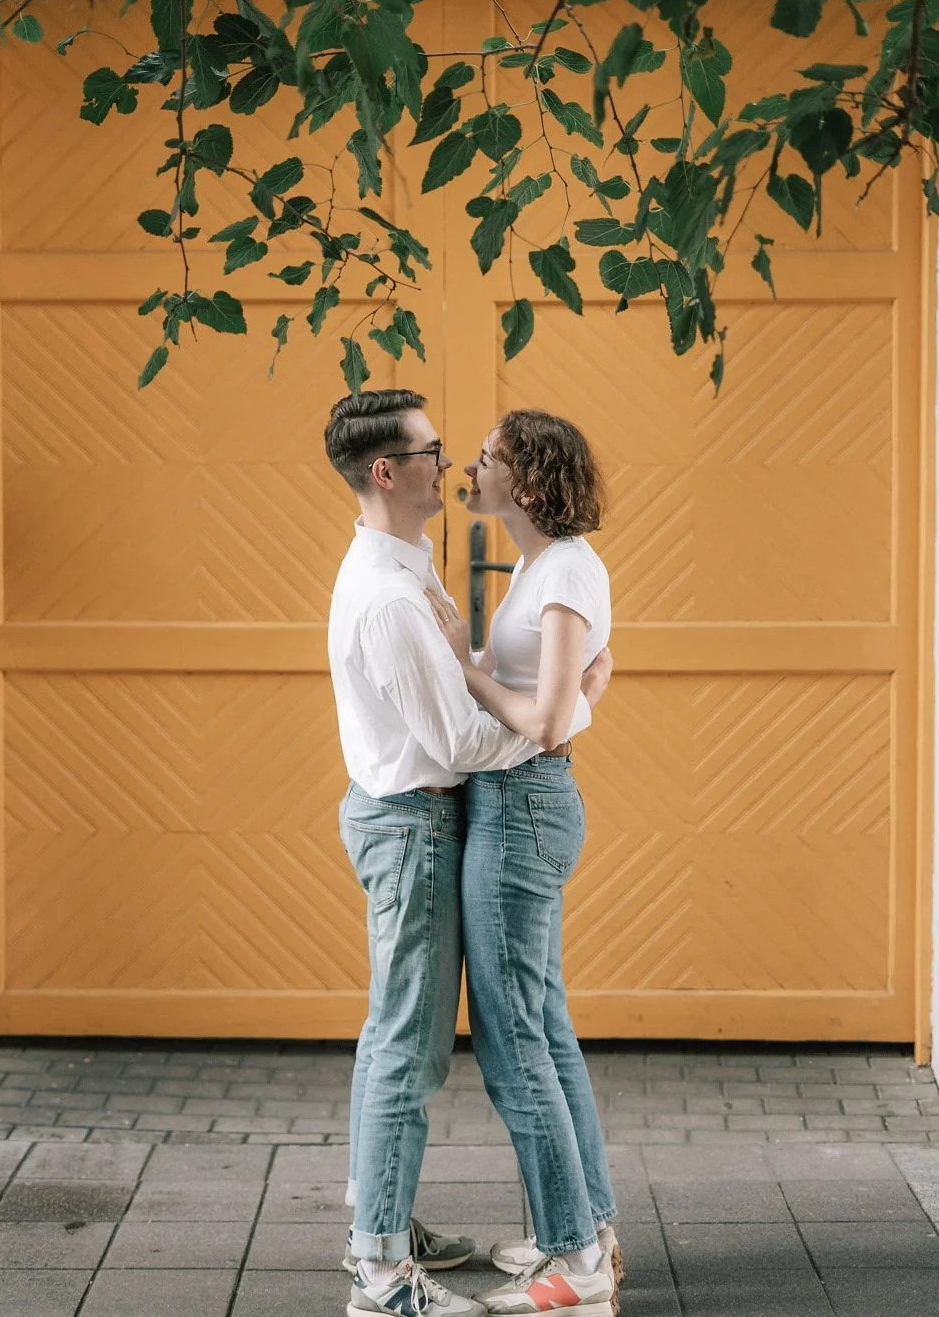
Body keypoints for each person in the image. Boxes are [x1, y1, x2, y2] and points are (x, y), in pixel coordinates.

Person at [323, 390, 613, 1317]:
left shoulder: (429, 563)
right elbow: (455, 743)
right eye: (436, 450)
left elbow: (532, 685)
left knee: (503, 1032)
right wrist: (562, 723)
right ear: (386, 471)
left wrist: (563, 712)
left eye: (467, 452)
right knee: (412, 1041)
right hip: (416, 818)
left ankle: (572, 1244)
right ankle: (381, 1266)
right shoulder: (390, 595)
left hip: (479, 814)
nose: (451, 464)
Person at [427, 410, 621, 1317]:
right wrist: (471, 656)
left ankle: (576, 1266)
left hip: (524, 809)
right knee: (543, 1025)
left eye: (490, 459)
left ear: (530, 480)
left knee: (514, 1043)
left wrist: (457, 667)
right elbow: (582, 687)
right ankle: (588, 1231)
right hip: (522, 801)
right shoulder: (546, 567)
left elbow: (544, 719)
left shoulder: (569, 568)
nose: (471, 467)